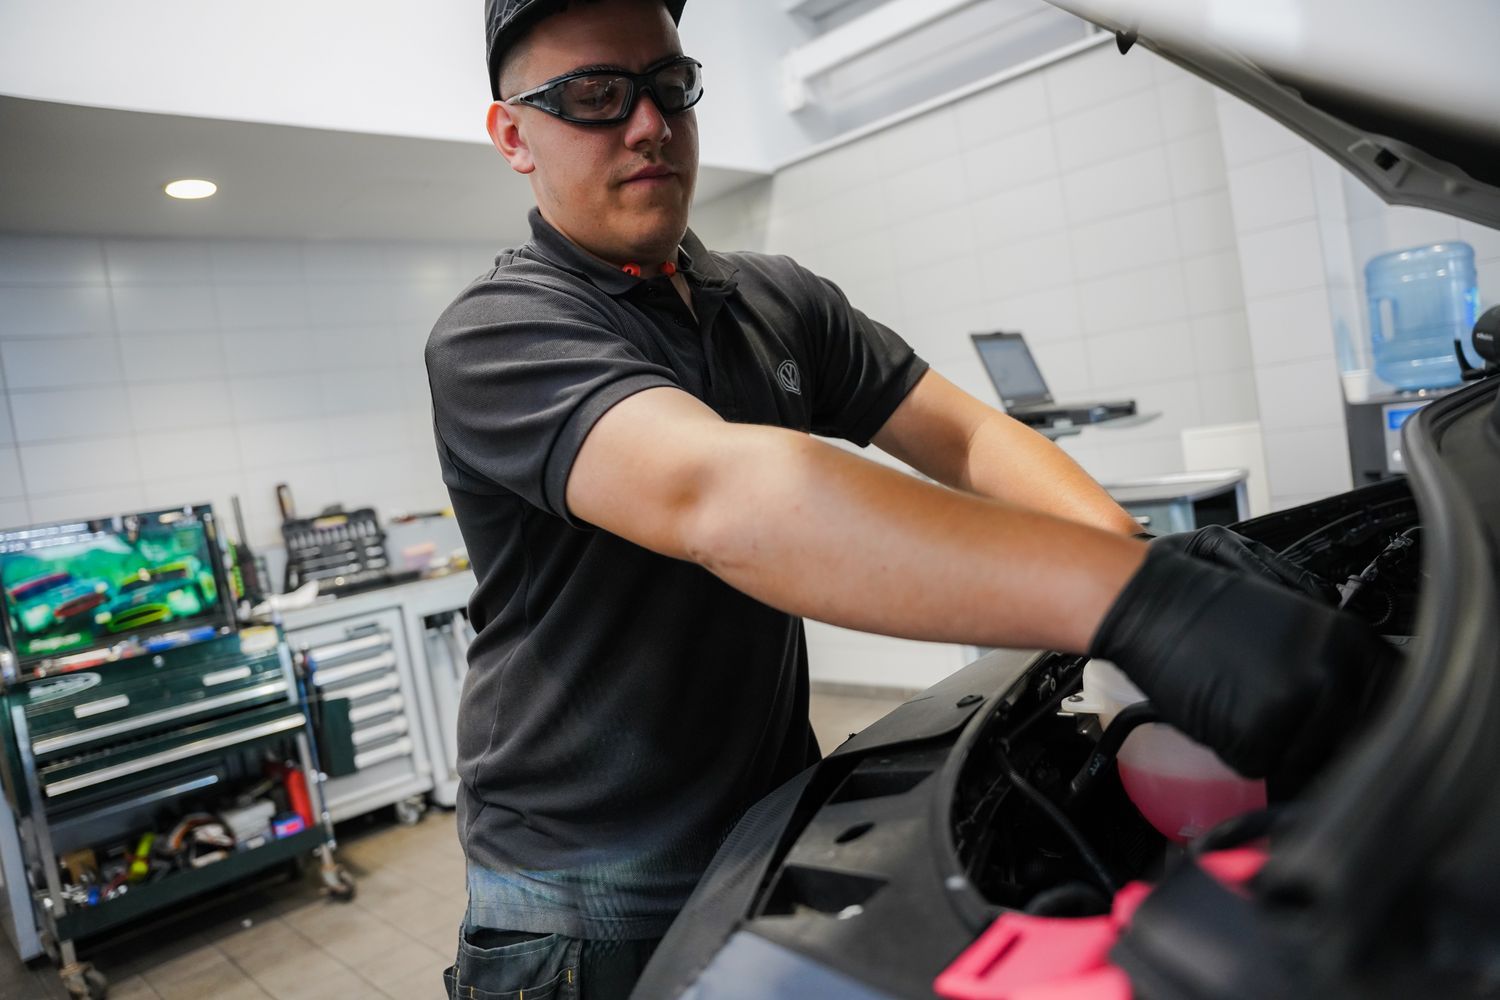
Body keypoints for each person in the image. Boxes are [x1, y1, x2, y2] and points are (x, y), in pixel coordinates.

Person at [424, 0, 1396, 996]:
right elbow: (723, 497)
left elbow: (967, 436)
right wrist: (1141, 601)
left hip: (766, 833)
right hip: (582, 902)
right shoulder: (499, 333)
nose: (649, 125)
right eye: (595, 94)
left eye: (669, 85)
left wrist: (1134, 554)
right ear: (514, 135)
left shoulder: (773, 301)